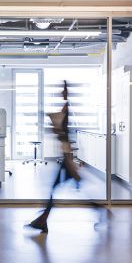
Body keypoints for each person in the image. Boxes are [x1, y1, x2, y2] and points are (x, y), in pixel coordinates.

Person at [26, 80, 81, 233]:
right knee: (57, 188)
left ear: (67, 92)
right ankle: (43, 221)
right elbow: (62, 132)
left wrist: (55, 128)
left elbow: (63, 134)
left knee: (57, 188)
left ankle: (100, 211)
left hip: (66, 155)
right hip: (65, 155)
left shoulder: (67, 108)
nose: (61, 92)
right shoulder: (65, 108)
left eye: (63, 90)